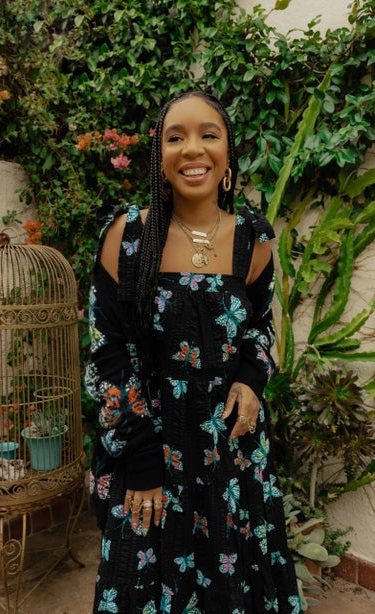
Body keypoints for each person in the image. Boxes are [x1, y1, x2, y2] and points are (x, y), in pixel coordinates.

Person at [85, 91, 302, 613]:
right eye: (175, 137)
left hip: (231, 458)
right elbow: (107, 352)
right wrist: (141, 460)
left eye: (209, 134)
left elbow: (259, 329)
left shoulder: (252, 240)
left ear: (228, 153)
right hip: (149, 449)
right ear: (159, 156)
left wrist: (250, 380)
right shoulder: (127, 236)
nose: (192, 149)